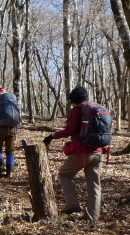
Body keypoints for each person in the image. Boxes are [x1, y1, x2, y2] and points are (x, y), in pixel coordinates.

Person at [43, 86, 104, 222]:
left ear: (75, 100)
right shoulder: (97, 109)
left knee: (64, 175)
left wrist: (52, 136)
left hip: (82, 152)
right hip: (98, 152)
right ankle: (93, 218)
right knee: (94, 185)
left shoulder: (78, 110)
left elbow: (70, 130)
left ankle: (73, 204)